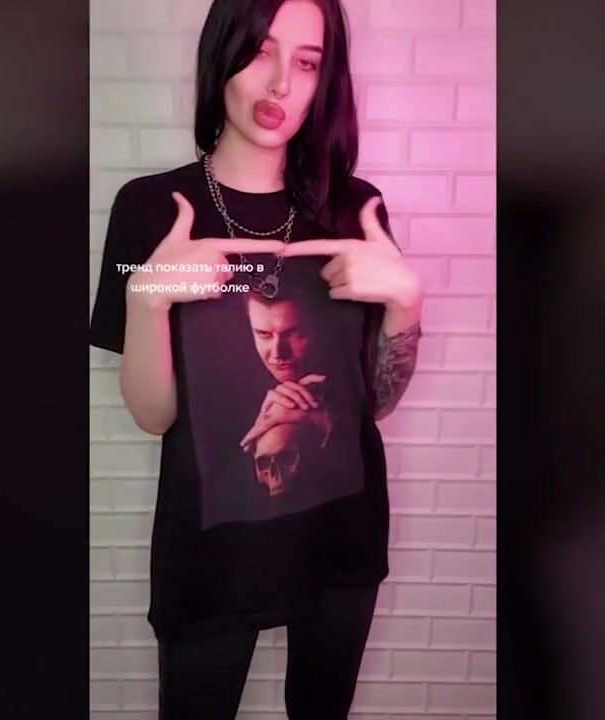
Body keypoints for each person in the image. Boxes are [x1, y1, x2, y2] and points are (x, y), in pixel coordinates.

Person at [88, 0, 423, 717]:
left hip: (339, 541)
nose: (280, 83)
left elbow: (375, 403)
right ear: (223, 52)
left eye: (307, 62)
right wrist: (146, 296)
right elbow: (154, 416)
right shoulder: (148, 208)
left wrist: (405, 307)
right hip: (212, 554)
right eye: (261, 51)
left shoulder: (356, 211)